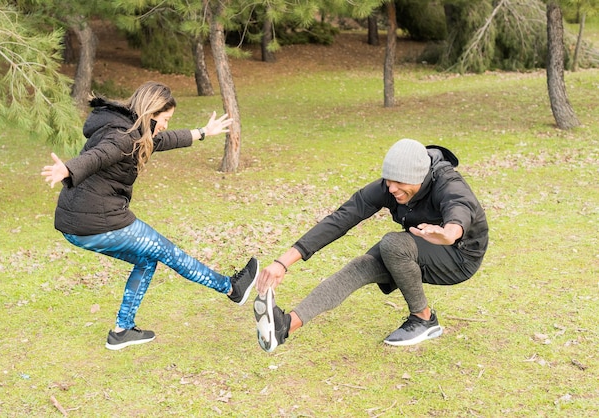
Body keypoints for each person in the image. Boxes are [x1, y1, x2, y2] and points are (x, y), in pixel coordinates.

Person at [41, 81, 259, 351]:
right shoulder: (123, 137)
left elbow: (163, 140)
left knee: (147, 261)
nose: (166, 124)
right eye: (165, 118)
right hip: (96, 219)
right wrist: (69, 170)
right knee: (167, 251)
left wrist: (203, 132)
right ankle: (231, 288)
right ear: (151, 112)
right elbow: (99, 156)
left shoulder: (129, 128)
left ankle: (122, 331)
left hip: (77, 223)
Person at [253, 138, 488, 352]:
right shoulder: (391, 187)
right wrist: (282, 263)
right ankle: (284, 327)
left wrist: (449, 233)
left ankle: (423, 319)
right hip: (418, 248)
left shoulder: (448, 183)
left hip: (460, 256)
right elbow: (340, 219)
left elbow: (460, 207)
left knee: (393, 244)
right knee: (360, 267)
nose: (391, 188)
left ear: (419, 176)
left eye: (398, 182)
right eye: (388, 181)